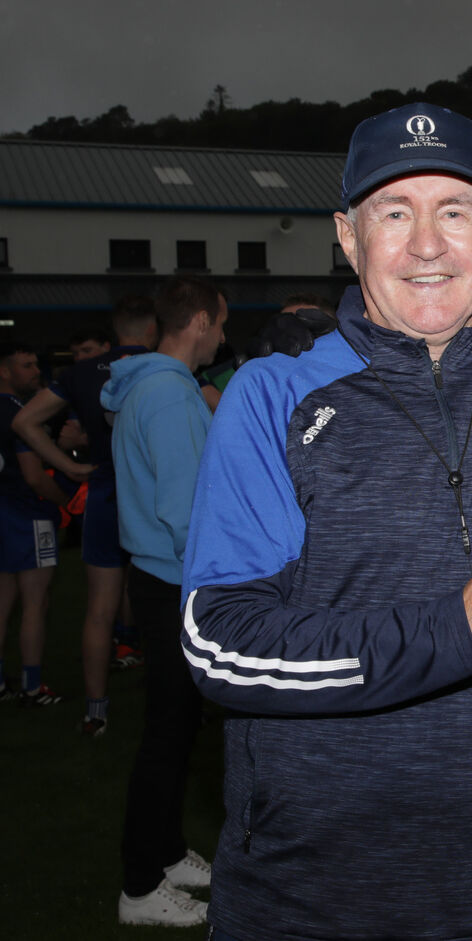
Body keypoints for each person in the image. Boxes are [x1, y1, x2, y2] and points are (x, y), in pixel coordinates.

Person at [180, 102, 472, 941]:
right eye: (394, 212)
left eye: (455, 211)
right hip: (304, 899)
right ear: (348, 236)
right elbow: (220, 643)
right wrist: (457, 630)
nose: (428, 244)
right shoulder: (273, 397)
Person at [102, 276, 226, 927]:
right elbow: (184, 514)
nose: (225, 336)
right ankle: (140, 885)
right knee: (166, 734)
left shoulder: (145, 385)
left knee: (175, 732)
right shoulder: (171, 396)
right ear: (200, 321)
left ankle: (168, 850)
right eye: (222, 323)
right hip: (177, 578)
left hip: (157, 575)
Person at [14, 294, 158, 735]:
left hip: (103, 492)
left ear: (115, 332)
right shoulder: (162, 367)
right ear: (152, 328)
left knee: (100, 606)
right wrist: (70, 465)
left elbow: (24, 423)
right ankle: (169, 697)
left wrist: (72, 466)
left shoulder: (82, 372)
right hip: (149, 493)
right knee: (161, 600)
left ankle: (96, 710)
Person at [0, 341, 68, 705]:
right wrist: (67, 503)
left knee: (3, 601)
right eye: (25, 366)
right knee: (34, 603)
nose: (35, 371)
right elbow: (34, 476)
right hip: (26, 514)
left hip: (5, 510)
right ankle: (32, 685)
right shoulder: (20, 415)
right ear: (4, 370)